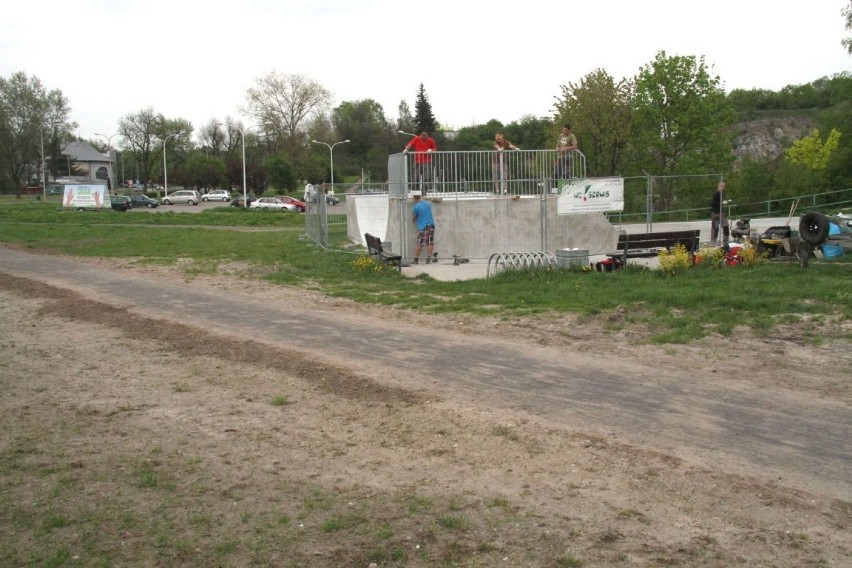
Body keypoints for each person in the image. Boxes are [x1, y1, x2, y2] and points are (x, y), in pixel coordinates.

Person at [411, 192, 435, 265]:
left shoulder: (416, 207)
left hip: (423, 227)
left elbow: (414, 219)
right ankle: (428, 259)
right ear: (421, 196)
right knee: (430, 243)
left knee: (420, 243)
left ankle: (416, 259)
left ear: (414, 198)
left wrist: (415, 218)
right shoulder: (428, 204)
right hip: (431, 225)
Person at [710, 181, 730, 246]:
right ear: (719, 186)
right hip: (715, 213)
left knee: (725, 226)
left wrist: (725, 202)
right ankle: (713, 241)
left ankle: (726, 241)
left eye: (724, 186)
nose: (723, 188)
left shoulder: (722, 194)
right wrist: (721, 203)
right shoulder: (716, 194)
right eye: (722, 186)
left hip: (721, 213)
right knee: (715, 227)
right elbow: (713, 204)